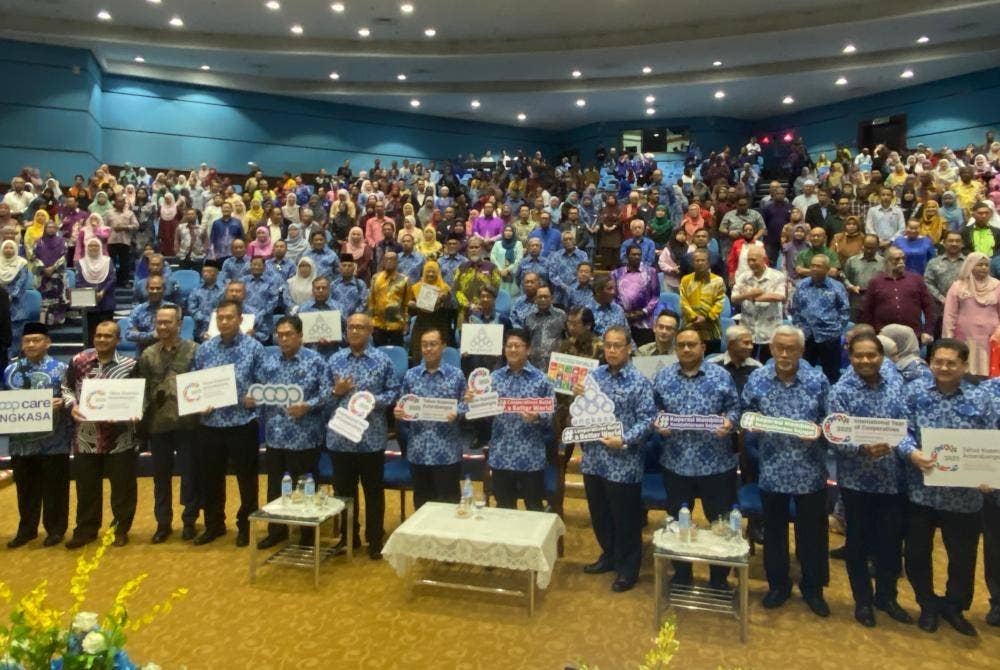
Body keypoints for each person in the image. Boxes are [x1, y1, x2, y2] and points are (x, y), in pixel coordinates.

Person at [900, 339, 998, 636]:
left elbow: (994, 440)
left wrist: (990, 475)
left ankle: (955, 607)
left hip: (964, 497)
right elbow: (901, 430)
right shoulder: (914, 392)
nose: (943, 367)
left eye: (951, 363)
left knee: (962, 558)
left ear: (964, 365)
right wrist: (910, 452)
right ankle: (927, 605)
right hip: (921, 491)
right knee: (917, 553)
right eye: (938, 362)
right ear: (930, 363)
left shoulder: (982, 398)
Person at [742, 325, 831, 616]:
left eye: (790, 348)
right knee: (774, 534)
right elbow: (746, 413)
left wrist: (820, 432)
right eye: (778, 347)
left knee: (812, 536)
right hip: (772, 469)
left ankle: (813, 588)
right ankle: (777, 586)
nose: (784, 353)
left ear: (801, 351)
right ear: (770, 349)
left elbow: (831, 424)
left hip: (810, 471)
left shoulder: (817, 380)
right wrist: (751, 423)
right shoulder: (757, 379)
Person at [828, 333, 915, 627]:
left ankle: (887, 597)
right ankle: (862, 600)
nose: (865, 360)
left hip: (893, 479)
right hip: (857, 482)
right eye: (859, 355)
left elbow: (907, 428)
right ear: (850, 357)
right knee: (858, 544)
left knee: (890, 544)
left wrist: (902, 448)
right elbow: (835, 436)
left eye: (871, 355)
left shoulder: (897, 386)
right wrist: (861, 447)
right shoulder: (840, 391)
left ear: (881, 356)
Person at [652, 327, 740, 589]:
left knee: (720, 523)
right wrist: (658, 422)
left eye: (692, 344)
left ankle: (719, 578)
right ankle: (681, 574)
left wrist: (730, 422)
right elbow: (653, 409)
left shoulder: (721, 376)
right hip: (676, 462)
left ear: (703, 347)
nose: (687, 349)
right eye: (682, 345)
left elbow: (735, 409)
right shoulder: (663, 376)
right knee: (678, 523)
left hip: (716, 463)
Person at [575, 326, 656, 592]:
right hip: (594, 458)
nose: (611, 350)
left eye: (617, 345)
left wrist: (624, 439)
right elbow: (582, 411)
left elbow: (648, 420)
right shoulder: (593, 377)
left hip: (623, 461)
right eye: (607, 345)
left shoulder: (639, 382)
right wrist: (578, 399)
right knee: (600, 514)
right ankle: (608, 555)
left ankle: (627, 568)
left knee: (626, 519)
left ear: (629, 347)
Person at [250, 316, 330, 550]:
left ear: (300, 336)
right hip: (275, 435)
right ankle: (277, 529)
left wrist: (307, 405)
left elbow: (326, 394)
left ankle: (306, 534)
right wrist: (252, 398)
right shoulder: (269, 362)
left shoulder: (315, 361)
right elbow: (260, 392)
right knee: (275, 486)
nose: (283, 339)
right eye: (280, 335)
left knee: (306, 487)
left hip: (305, 435)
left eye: (288, 334)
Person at [192, 299, 265, 547]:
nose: (224, 322)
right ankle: (214, 525)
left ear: (240, 319)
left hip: (242, 422)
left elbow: (265, 383)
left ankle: (246, 526)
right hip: (210, 423)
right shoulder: (204, 349)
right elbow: (195, 383)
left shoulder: (255, 348)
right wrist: (198, 402)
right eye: (220, 318)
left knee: (247, 479)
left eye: (229, 317)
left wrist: (256, 395)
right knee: (210, 478)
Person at [327, 313, 400, 558]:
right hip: (341, 438)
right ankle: (349, 538)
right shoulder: (335, 360)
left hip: (371, 438)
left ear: (370, 331)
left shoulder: (382, 361)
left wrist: (372, 401)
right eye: (351, 327)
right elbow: (325, 397)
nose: (355, 331)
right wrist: (335, 391)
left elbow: (394, 393)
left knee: (373, 492)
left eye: (361, 327)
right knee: (343, 494)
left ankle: (375, 539)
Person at [61, 320, 138, 548]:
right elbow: (66, 387)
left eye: (108, 336)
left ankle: (120, 530)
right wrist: (71, 404)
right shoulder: (79, 361)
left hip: (120, 437)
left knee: (122, 488)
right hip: (86, 437)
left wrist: (132, 411)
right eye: (99, 335)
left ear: (118, 339)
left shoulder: (130, 365)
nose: (102, 339)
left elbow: (139, 396)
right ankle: (85, 529)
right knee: (86, 487)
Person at [134, 304, 201, 543]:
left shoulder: (194, 351)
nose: (162, 326)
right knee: (160, 477)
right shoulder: (147, 354)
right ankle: (163, 523)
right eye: (159, 322)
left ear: (179, 325)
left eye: (167, 322)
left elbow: (203, 384)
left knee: (190, 475)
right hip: (158, 424)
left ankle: (189, 521)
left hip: (188, 423)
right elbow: (139, 390)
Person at [2, 323, 70, 548]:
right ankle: (27, 529)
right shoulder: (10, 370)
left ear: (47, 342)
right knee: (25, 489)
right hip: (21, 443)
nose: (31, 345)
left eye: (36, 340)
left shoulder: (61, 368)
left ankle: (55, 529)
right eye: (27, 341)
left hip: (54, 441)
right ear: (21, 344)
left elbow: (72, 396)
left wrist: (63, 402)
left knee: (55, 488)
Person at [473, 329, 555, 511]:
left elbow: (551, 416)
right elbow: (483, 413)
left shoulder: (542, 380)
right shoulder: (493, 378)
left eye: (517, 346)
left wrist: (537, 416)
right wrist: (475, 402)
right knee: (504, 509)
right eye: (509, 346)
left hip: (530, 456)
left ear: (528, 350)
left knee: (534, 508)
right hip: (501, 455)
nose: (512, 350)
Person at [393, 327, 468, 509]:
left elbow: (468, 404)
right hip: (418, 450)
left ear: (443, 346)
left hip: (447, 451)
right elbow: (403, 405)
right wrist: (399, 413)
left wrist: (458, 411)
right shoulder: (411, 375)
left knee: (448, 506)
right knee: (422, 505)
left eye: (433, 344)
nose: (428, 349)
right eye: (424, 345)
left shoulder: (456, 375)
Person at [791, 255, 850, 382]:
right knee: (803, 374)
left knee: (832, 374)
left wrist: (837, 330)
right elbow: (795, 308)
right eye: (812, 265)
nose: (814, 269)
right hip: (806, 336)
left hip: (829, 336)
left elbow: (844, 310)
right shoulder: (801, 285)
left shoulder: (837, 286)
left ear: (827, 269)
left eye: (818, 266)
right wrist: (798, 327)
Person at [860, 247, 937, 340]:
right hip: (883, 336)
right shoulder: (875, 282)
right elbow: (867, 310)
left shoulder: (916, 279)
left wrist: (928, 331)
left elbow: (929, 307)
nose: (901, 262)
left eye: (903, 258)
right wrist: (871, 334)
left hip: (914, 336)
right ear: (886, 261)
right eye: (896, 259)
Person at [942, 252, 1000, 376]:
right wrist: (948, 338)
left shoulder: (997, 286)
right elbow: (949, 315)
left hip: (992, 337)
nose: (984, 268)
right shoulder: (958, 286)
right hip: (964, 336)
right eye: (979, 265)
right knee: (966, 371)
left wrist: (998, 332)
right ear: (970, 265)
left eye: (986, 265)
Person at [731, 246, 785, 360]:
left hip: (770, 330)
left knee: (769, 365)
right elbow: (734, 298)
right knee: (746, 364)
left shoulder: (777, 276)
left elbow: (780, 296)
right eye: (748, 260)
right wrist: (751, 294)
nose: (751, 263)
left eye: (754, 260)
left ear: (764, 259)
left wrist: (753, 297)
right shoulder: (743, 277)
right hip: (748, 330)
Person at [679, 249, 726, 353]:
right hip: (690, 327)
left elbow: (720, 302)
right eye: (697, 260)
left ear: (708, 263)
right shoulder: (685, 280)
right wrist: (694, 317)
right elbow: (683, 301)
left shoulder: (718, 281)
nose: (700, 263)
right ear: (692, 263)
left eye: (702, 260)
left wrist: (707, 318)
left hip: (712, 329)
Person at [611, 246, 660, 346]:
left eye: (639, 255)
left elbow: (655, 296)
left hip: (645, 320)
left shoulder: (651, 272)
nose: (637, 257)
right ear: (627, 256)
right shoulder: (616, 274)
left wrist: (643, 312)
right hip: (623, 318)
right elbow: (613, 296)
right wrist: (622, 313)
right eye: (634, 254)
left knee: (644, 352)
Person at [74, 237, 117, 348]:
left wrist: (102, 292)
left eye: (96, 245)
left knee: (108, 331)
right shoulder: (81, 263)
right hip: (89, 304)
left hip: (106, 301)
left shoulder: (107, 261)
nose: (93, 248)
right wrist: (93, 294)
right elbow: (79, 282)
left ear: (101, 247)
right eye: (91, 246)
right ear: (87, 247)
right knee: (92, 333)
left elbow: (112, 279)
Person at [407, 260, 452, 363]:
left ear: (438, 272)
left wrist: (443, 299)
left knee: (439, 357)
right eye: (428, 271)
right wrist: (412, 305)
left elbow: (449, 309)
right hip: (421, 327)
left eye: (433, 271)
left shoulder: (445, 289)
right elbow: (410, 310)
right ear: (424, 272)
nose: (430, 274)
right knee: (418, 356)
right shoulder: (416, 288)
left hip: (440, 326)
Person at [454, 237, 501, 326]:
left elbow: (496, 289)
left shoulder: (491, 267)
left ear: (482, 249)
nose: (474, 250)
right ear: (467, 250)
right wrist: (469, 305)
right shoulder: (461, 268)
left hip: (487, 313)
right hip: (465, 313)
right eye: (471, 247)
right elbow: (456, 290)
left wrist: (483, 304)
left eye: (476, 247)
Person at [368, 251, 409, 347]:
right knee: (379, 353)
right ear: (382, 262)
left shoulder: (404, 279)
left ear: (397, 262)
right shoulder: (375, 278)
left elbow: (406, 304)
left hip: (397, 325)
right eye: (386, 259)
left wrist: (406, 323)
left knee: (396, 354)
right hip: (378, 324)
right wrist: (369, 321)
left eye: (392, 259)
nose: (389, 261)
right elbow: (371, 301)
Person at [1, 239, 34, 357]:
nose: (8, 250)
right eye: (6, 247)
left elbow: (21, 282)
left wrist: (10, 295)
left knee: (15, 334)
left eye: (11, 248)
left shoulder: (22, 263)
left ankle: (14, 359)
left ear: (15, 250)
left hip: (16, 303)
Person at [710, 324, 762, 394]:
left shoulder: (757, 368)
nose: (751, 347)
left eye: (751, 343)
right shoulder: (712, 365)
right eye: (746, 343)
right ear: (731, 344)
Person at [548, 230, 588, 308]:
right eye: (565, 240)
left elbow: (585, 272)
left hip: (578, 294)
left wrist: (573, 288)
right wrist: (564, 286)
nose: (568, 241)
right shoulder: (556, 256)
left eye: (570, 239)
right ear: (562, 242)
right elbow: (552, 275)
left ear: (575, 241)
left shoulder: (583, 255)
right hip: (559, 295)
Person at [187, 260, 225, 341]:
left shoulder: (224, 290)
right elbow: (192, 309)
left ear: (216, 273)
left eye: (209, 271)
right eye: (204, 272)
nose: (205, 274)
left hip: (220, 328)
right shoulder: (195, 290)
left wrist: (214, 320)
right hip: (199, 329)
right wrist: (207, 319)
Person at [105, 195, 138, 286]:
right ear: (115, 202)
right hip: (111, 241)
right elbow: (104, 226)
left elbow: (136, 226)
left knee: (125, 263)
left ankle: (124, 282)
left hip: (125, 241)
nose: (120, 203)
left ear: (125, 203)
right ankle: (111, 282)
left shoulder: (130, 213)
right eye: (118, 201)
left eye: (122, 201)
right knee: (111, 263)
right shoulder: (109, 213)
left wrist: (125, 227)